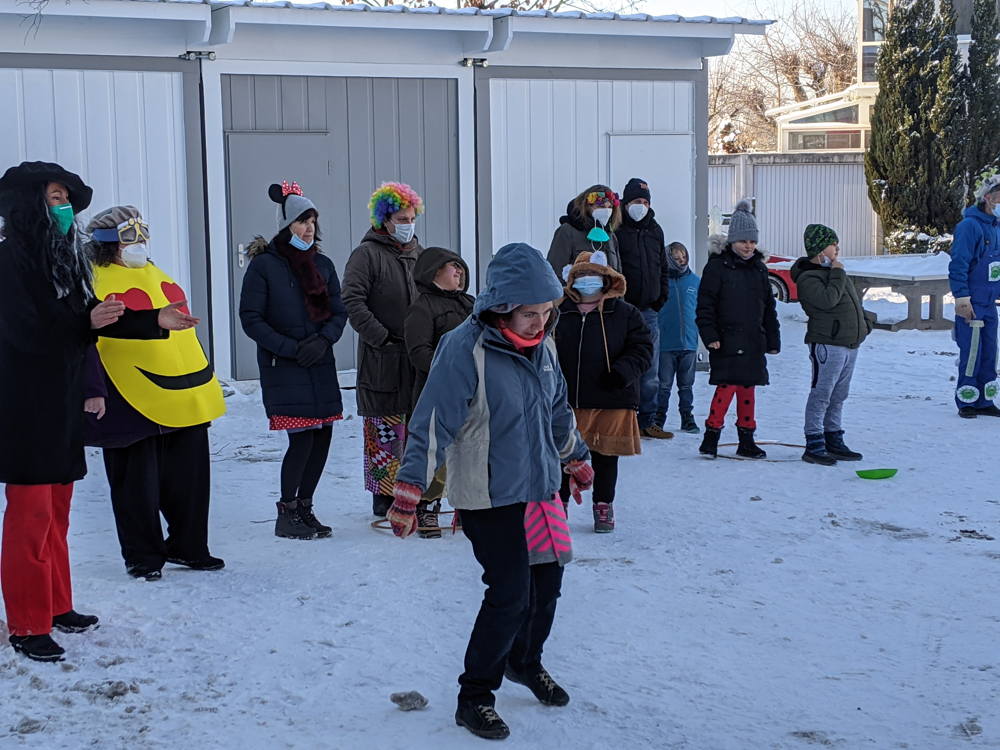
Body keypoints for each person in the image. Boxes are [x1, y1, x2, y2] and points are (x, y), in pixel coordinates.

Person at [386, 242, 593, 741]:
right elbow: (433, 422)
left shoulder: (543, 344)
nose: (539, 323)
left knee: (546, 588)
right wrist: (410, 489)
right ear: (500, 305)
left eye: (546, 312)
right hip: (489, 494)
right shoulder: (465, 347)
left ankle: (524, 662)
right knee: (509, 593)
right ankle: (474, 696)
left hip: (540, 487)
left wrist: (576, 456)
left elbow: (557, 407)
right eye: (529, 313)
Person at [0, 161, 197, 662]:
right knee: (30, 517)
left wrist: (156, 318)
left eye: (65, 198)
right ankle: (26, 623)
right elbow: (28, 333)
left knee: (57, 515)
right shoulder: (8, 262)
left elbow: (91, 318)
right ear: (27, 205)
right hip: (24, 408)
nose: (63, 208)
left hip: (60, 406)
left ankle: (56, 605)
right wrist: (84, 322)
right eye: (53, 198)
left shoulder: (61, 259)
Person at [84, 206, 227, 579]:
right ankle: (143, 556)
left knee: (189, 476)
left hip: (183, 389)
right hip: (125, 392)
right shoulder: (91, 279)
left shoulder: (155, 272)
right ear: (107, 243)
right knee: (136, 482)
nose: (140, 244)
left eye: (144, 234)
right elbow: (89, 331)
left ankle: (189, 544)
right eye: (131, 236)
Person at [239, 181, 349, 540]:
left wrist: (324, 340)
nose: (308, 229)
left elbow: (338, 310)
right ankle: (287, 512)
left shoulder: (324, 265)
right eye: (302, 222)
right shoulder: (265, 267)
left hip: (319, 363)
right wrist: (289, 348)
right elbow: (251, 318)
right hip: (285, 366)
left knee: (322, 438)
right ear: (286, 225)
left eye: (313, 222)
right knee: (301, 440)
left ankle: (305, 507)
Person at [342, 182, 425, 518]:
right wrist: (380, 337)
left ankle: (414, 489)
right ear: (384, 220)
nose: (408, 224)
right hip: (382, 357)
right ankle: (383, 494)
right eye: (401, 219)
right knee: (385, 425)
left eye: (411, 217)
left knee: (415, 425)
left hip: (415, 356)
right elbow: (352, 299)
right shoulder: (367, 255)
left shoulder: (419, 254)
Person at [554, 250, 652, 533]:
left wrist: (623, 372)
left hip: (612, 397)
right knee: (564, 454)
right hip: (568, 399)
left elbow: (643, 348)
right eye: (581, 276)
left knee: (605, 456)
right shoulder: (558, 311)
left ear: (606, 279)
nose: (587, 281)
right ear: (572, 280)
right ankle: (559, 504)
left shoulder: (625, 313)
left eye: (593, 276)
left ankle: (603, 504)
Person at [696, 200, 780, 459]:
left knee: (748, 390)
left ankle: (747, 439)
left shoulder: (759, 269)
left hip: (753, 340)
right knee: (726, 388)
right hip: (727, 339)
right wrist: (710, 336)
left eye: (752, 242)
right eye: (743, 241)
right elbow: (705, 306)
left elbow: (768, 307)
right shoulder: (717, 267)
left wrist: (772, 338)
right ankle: (712, 435)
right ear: (732, 241)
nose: (748, 246)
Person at [403, 246, 474, 538]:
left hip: (473, 391)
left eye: (460, 267)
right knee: (437, 451)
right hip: (437, 393)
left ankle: (470, 505)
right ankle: (427, 506)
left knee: (471, 448)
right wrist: (449, 373)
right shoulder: (422, 307)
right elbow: (419, 351)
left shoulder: (471, 303)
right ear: (434, 273)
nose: (459, 272)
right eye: (452, 267)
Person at [790, 224, 872, 465]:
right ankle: (814, 442)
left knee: (839, 395)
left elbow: (852, 303)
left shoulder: (836, 272)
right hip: (828, 344)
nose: (837, 247)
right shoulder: (809, 277)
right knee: (822, 394)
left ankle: (833, 438)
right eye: (832, 243)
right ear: (819, 249)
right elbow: (827, 301)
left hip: (850, 342)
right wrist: (837, 273)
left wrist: (865, 324)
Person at [615, 178, 671, 439]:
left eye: (646, 202)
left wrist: (661, 297)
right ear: (626, 203)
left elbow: (662, 266)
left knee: (651, 371)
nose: (642, 206)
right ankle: (624, 420)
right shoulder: (615, 229)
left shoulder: (655, 230)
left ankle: (648, 421)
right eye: (637, 201)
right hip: (622, 310)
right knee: (625, 366)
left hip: (649, 311)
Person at [949, 171, 1000, 418]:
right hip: (972, 302)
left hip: (990, 303)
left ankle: (985, 400)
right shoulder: (970, 226)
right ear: (988, 197)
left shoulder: (996, 227)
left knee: (990, 352)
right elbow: (959, 263)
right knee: (971, 353)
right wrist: (961, 298)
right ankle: (967, 400)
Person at [656, 241, 701, 434]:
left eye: (683, 256)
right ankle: (658, 418)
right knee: (663, 385)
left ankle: (687, 417)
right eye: (676, 257)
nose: (681, 260)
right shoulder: (660, 282)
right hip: (666, 343)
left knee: (686, 385)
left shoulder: (695, 282)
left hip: (689, 343)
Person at [547, 184, 622, 276]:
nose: (606, 211)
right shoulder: (568, 231)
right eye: (601, 206)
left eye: (610, 207)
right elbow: (554, 271)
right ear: (586, 206)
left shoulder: (610, 236)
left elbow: (618, 273)